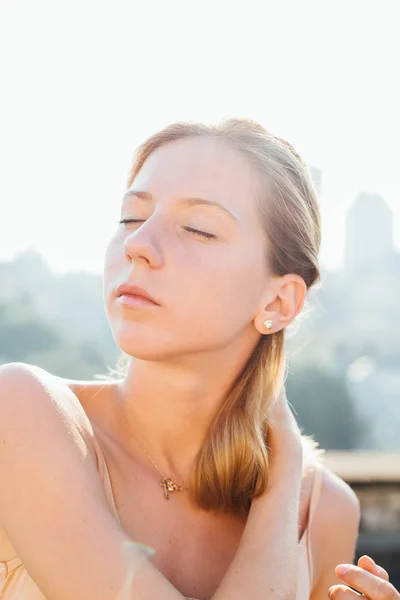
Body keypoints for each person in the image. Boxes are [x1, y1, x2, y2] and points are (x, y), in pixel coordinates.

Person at [0, 118, 391, 600]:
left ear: (277, 303)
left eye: (197, 229)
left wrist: (286, 478)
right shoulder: (20, 412)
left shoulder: (325, 510)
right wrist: (285, 460)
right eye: (131, 217)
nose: (138, 245)